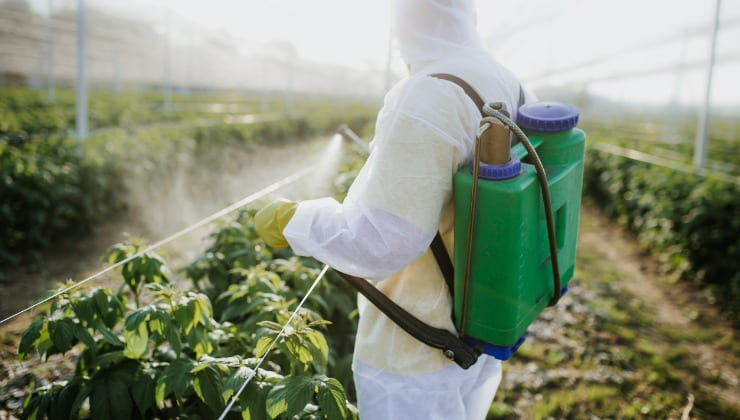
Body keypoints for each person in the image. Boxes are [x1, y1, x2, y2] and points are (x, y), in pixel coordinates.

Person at [255, 0, 531, 418]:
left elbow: (382, 241)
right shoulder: (504, 79)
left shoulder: (431, 92)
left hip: (415, 351)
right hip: (479, 321)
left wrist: (293, 220)